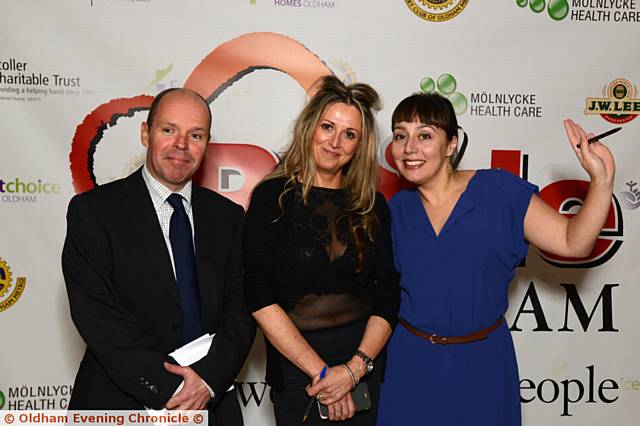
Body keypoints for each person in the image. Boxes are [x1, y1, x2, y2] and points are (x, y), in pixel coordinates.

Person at [376, 93, 616, 425]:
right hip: (410, 365)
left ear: (451, 145)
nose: (409, 147)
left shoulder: (500, 192)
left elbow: (572, 243)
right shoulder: (394, 211)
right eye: (400, 135)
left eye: (425, 135)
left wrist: (601, 182)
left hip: (482, 364)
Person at [62, 88, 256, 425]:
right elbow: (97, 315)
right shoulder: (94, 212)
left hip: (211, 402)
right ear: (145, 133)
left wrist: (207, 382)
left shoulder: (228, 217)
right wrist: (172, 388)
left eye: (195, 135)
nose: (181, 144)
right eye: (169, 130)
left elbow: (241, 309)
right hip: (120, 400)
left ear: (207, 143)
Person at [243, 75, 400, 425]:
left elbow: (387, 293)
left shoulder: (372, 205)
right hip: (299, 368)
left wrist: (354, 369)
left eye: (350, 134)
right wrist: (326, 375)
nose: (335, 142)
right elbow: (258, 294)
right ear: (310, 127)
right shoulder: (272, 198)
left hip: (363, 363)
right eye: (328, 127)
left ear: (360, 145)